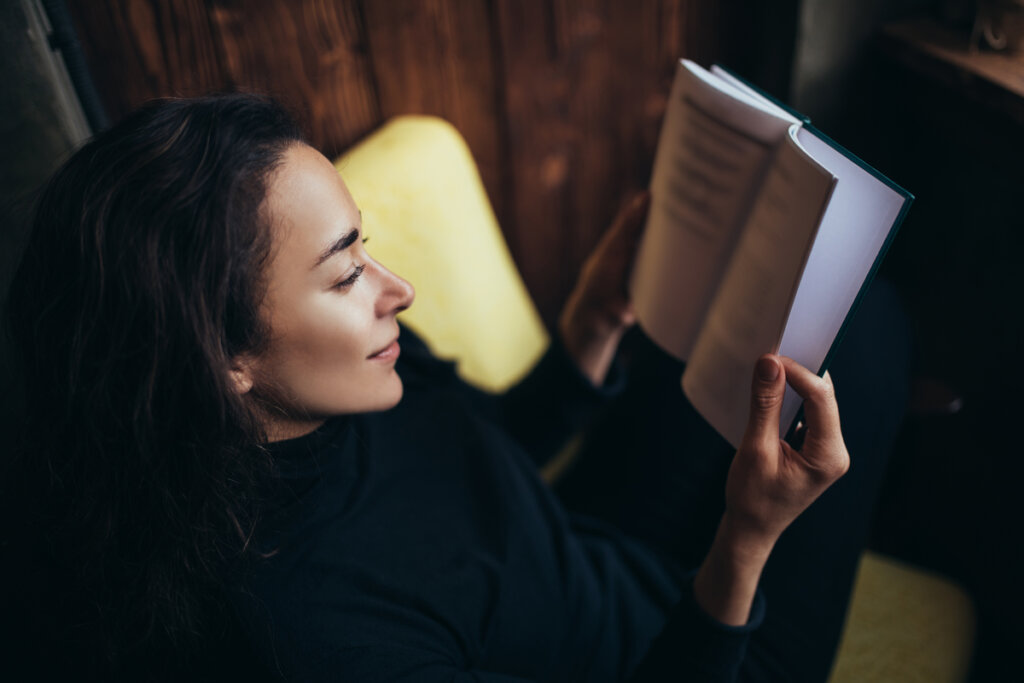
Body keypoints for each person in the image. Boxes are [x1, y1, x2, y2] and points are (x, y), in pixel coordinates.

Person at [2, 94, 908, 682]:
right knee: (861, 323)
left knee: (807, 269)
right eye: (344, 273)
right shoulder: (324, 642)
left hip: (579, 545)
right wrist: (747, 538)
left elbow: (466, 448)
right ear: (220, 357)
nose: (396, 288)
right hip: (692, 647)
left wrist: (586, 334)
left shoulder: (336, 385)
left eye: (364, 242)